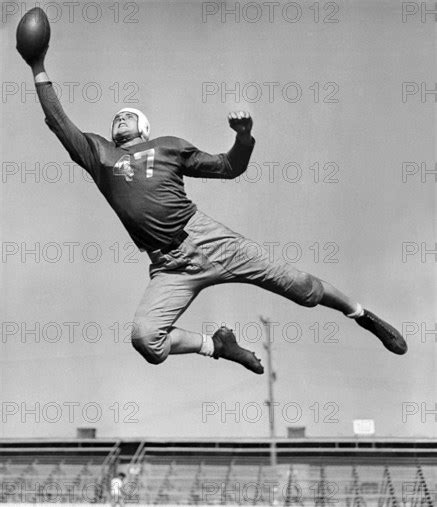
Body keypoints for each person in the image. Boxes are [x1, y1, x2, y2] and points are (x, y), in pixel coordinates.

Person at [20, 46, 407, 376]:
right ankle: (218, 345)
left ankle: (362, 315)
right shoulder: (99, 155)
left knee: (302, 289)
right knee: (146, 340)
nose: (120, 117)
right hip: (170, 265)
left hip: (208, 239)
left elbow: (229, 167)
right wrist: (38, 65)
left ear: (145, 127)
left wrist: (243, 138)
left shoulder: (169, 147)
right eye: (116, 116)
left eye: (129, 114)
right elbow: (58, 121)